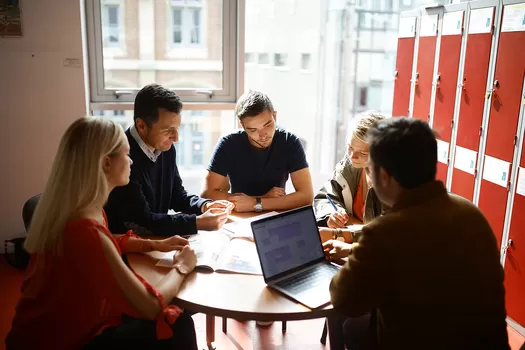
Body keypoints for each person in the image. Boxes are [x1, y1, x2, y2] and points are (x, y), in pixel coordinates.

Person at [6, 117, 199, 349]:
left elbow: (102, 243)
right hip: (68, 342)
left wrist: (152, 244)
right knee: (179, 322)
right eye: (127, 155)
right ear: (107, 163)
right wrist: (182, 266)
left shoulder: (78, 208)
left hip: (41, 332)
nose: (131, 162)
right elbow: (150, 306)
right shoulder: (85, 227)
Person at [325, 118, 509, 349]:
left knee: (353, 327)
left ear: (384, 176)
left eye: (370, 168)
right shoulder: (471, 214)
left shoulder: (383, 233)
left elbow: (343, 299)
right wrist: (356, 249)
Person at [105, 84, 233, 237]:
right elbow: (144, 220)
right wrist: (198, 223)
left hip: (157, 240)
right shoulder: (124, 159)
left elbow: (177, 197)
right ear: (141, 126)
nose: (176, 138)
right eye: (167, 130)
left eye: (178, 128)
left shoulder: (166, 147)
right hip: (131, 245)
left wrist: (205, 206)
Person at [201, 90, 314, 213]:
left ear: (274, 116)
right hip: (239, 216)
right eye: (253, 130)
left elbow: (306, 196)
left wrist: (256, 203)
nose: (263, 135)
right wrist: (260, 199)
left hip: (274, 216)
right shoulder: (228, 143)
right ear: (242, 126)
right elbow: (207, 194)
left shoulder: (289, 142)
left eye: (267, 125)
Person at [313, 111, 386, 244]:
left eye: (362, 152)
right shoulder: (350, 165)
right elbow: (326, 195)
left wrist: (339, 233)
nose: (352, 156)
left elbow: (386, 234)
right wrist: (332, 213)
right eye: (350, 148)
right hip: (353, 248)